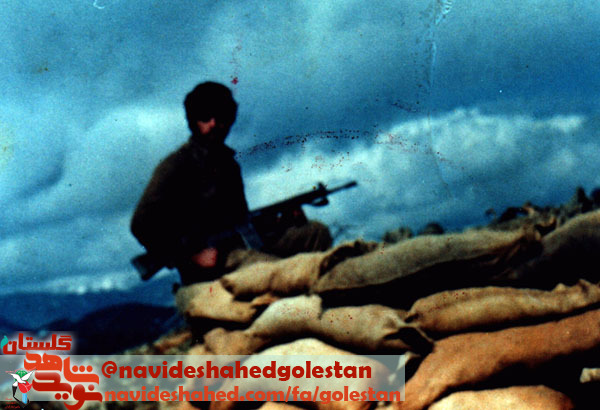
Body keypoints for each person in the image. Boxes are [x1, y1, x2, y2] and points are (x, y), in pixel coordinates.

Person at [131, 82, 332, 285]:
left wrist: (282, 221)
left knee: (316, 233)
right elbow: (141, 224)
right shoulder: (177, 165)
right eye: (205, 117)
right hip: (212, 261)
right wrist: (188, 257)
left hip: (239, 245)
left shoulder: (228, 165)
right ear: (193, 120)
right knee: (274, 269)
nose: (213, 124)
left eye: (221, 117)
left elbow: (240, 220)